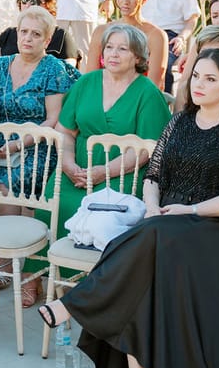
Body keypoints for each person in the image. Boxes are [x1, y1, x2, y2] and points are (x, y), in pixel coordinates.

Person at [39, 49, 219, 368]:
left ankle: (75, 304)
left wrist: (188, 211)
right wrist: (152, 207)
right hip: (167, 224)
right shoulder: (179, 122)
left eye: (210, 79)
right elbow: (153, 176)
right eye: (196, 76)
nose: (199, 84)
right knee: (142, 264)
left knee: (149, 240)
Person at [0, 5, 79, 305]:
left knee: (8, 180)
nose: (28, 39)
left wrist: (18, 144)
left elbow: (53, 120)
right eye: (24, 32)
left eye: (36, 34)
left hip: (38, 143)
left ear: (47, 40)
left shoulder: (53, 69)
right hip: (2, 139)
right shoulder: (0, 65)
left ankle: (9, 265)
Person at [55, 24, 171, 248]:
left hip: (125, 173)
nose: (113, 54)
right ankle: (50, 276)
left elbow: (148, 149)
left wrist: (102, 173)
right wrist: (68, 165)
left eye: (122, 49)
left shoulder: (148, 93)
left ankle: (99, 278)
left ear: (138, 57)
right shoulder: (85, 82)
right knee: (56, 200)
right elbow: (65, 131)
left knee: (103, 217)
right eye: (109, 47)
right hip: (76, 170)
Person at [86, 0, 168, 89]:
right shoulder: (101, 31)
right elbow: (90, 80)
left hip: (140, 101)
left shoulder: (156, 36)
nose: (125, 1)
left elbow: (155, 86)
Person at [0, 0, 78, 66]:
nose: (28, 5)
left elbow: (68, 76)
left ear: (47, 6)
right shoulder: (7, 35)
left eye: (34, 2)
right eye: (24, 0)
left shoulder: (61, 37)